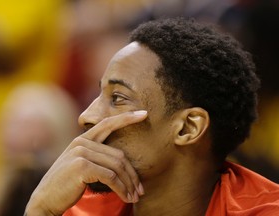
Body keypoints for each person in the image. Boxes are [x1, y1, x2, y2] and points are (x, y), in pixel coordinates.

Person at [25, 17, 279, 216]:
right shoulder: (78, 207)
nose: (86, 116)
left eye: (118, 98)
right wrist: (40, 211)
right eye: (98, 94)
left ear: (187, 128)